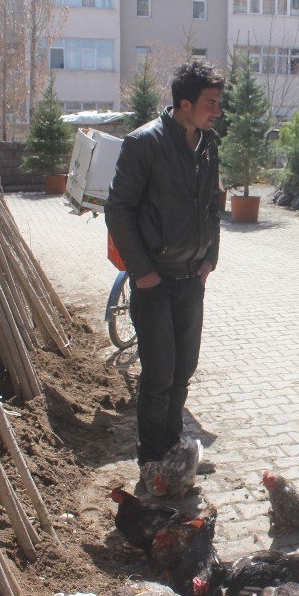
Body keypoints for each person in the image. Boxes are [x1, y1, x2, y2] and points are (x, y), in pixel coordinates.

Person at [104, 60, 225, 479]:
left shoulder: (208, 144)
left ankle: (173, 448)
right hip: (155, 282)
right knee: (158, 375)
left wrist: (211, 257)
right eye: (210, 103)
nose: (217, 111)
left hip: (192, 278)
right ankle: (151, 459)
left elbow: (213, 203)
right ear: (185, 103)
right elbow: (118, 210)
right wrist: (142, 273)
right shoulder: (144, 144)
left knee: (183, 370)